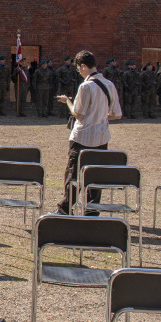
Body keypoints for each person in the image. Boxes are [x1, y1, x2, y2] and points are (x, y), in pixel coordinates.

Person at [54, 50, 122, 215]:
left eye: (79, 69)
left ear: (83, 66)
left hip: (82, 136)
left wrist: (68, 101)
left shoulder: (86, 86)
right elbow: (117, 114)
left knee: (73, 174)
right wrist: (100, 116)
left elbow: (78, 114)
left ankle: (65, 209)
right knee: (95, 174)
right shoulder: (109, 84)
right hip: (101, 136)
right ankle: (92, 211)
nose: (79, 72)